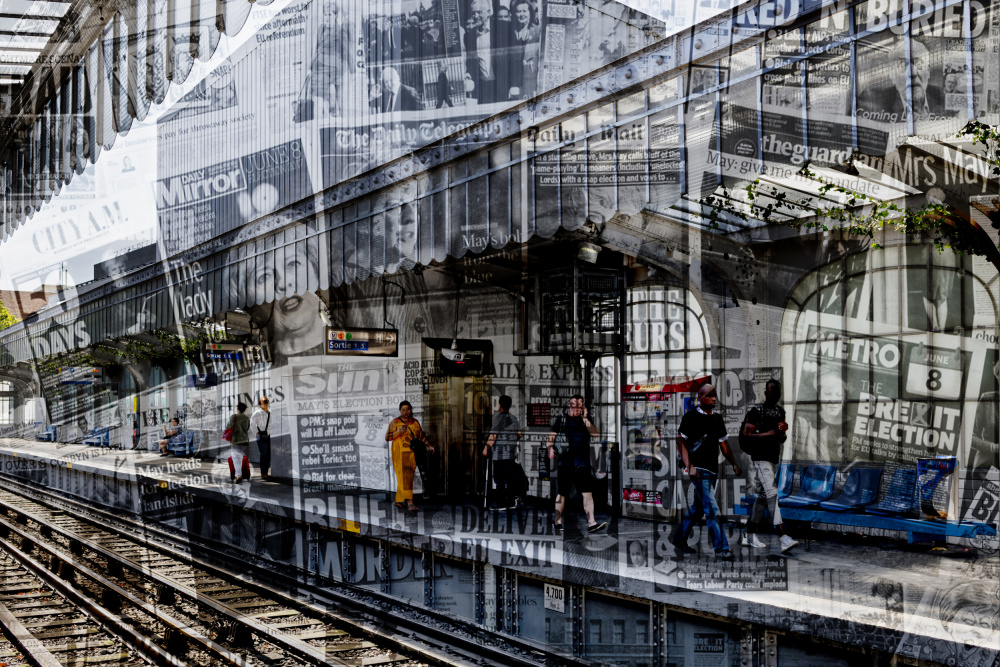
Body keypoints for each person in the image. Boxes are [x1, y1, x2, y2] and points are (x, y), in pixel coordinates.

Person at [672, 384, 741, 560]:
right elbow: (680, 443)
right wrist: (690, 467)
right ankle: (722, 548)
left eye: (715, 396)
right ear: (700, 397)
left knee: (698, 508)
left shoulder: (717, 419)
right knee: (711, 508)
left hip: (712, 470)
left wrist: (733, 463)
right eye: (710, 396)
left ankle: (679, 539)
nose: (714, 399)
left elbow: (724, 444)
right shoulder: (691, 417)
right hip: (698, 470)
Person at [740, 379, 799, 553]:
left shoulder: (780, 411)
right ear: (766, 392)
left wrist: (782, 432)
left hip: (773, 459)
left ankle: (749, 535)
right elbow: (747, 434)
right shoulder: (756, 411)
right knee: (772, 494)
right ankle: (783, 537)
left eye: (777, 391)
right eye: (771, 391)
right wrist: (771, 433)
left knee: (763, 497)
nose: (774, 394)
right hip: (760, 458)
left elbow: (781, 438)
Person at [545, 394, 607, 533]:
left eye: (579, 405)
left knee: (587, 494)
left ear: (582, 406)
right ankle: (557, 521)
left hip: (582, 463)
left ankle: (592, 523)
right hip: (565, 463)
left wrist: (585, 418)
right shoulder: (561, 419)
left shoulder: (585, 420)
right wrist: (549, 448)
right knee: (562, 494)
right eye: (573, 403)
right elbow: (551, 437)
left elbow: (595, 434)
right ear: (569, 404)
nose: (575, 407)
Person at [308, 1, 354, 117]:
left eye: (330, 15)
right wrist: (310, 68)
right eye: (325, 14)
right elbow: (316, 49)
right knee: (323, 99)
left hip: (336, 68)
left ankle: (343, 119)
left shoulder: (340, 30)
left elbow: (347, 50)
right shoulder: (320, 29)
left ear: (335, 15)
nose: (327, 17)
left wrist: (353, 70)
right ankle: (328, 120)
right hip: (321, 68)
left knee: (339, 97)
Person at [385, 401, 434, 510]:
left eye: (408, 409)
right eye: (403, 410)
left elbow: (421, 436)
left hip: (412, 454)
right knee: (405, 477)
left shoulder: (415, 422)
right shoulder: (395, 422)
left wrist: (429, 445)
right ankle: (410, 503)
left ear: (411, 410)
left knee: (407, 478)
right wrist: (398, 432)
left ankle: (398, 501)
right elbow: (387, 437)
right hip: (399, 454)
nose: (406, 412)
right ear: (400, 411)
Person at [483, 395, 524, 509]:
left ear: (499, 405)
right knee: (510, 478)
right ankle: (510, 502)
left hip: (499, 455)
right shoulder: (514, 418)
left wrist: (486, 447)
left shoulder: (498, 418)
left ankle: (500, 503)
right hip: (510, 455)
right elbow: (519, 434)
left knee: (499, 480)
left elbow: (494, 436)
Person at [227, 402, 252, 483]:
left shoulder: (233, 417)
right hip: (244, 440)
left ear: (237, 409)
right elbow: (247, 428)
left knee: (235, 458)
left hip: (235, 440)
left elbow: (228, 427)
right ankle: (238, 475)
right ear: (244, 410)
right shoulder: (247, 418)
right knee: (240, 457)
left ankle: (238, 475)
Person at [249, 396, 272, 481]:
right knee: (264, 454)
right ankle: (263, 472)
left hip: (270, 435)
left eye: (267, 402)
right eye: (264, 402)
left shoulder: (270, 412)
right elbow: (252, 424)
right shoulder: (257, 413)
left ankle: (266, 471)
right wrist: (256, 433)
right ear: (260, 404)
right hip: (261, 437)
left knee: (269, 454)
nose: (266, 404)